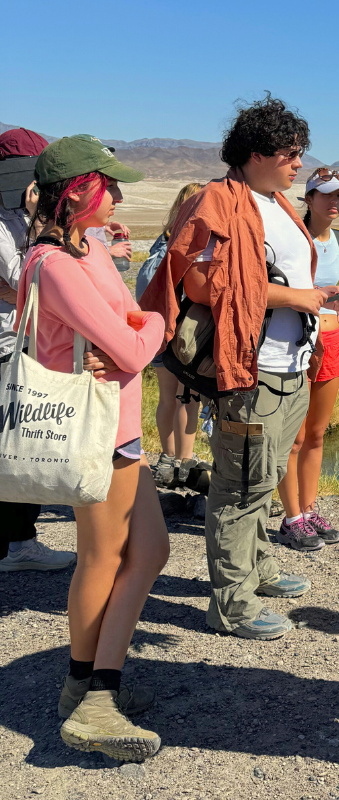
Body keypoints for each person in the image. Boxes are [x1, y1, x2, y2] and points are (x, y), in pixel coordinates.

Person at [141, 95, 339, 640]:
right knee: (238, 485)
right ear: (256, 153)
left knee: (267, 474)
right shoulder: (219, 201)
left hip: (290, 365)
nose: (299, 163)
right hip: (249, 369)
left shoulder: (273, 201)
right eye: (290, 152)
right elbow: (199, 282)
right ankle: (229, 604)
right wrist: (298, 298)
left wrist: (310, 300)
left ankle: (257, 569)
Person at [16, 135, 168, 761]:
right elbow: (135, 341)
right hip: (94, 434)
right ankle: (91, 694)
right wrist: (152, 325)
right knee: (101, 558)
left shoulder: (90, 249)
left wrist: (139, 325)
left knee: (151, 551)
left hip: (122, 429)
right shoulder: (52, 264)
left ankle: (91, 683)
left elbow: (130, 320)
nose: (120, 196)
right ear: (78, 190)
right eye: (110, 186)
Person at [0, 126, 76, 572]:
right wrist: (42, 223)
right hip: (6, 344)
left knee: (19, 443)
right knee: (13, 445)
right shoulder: (8, 221)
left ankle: (18, 540)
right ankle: (18, 545)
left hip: (21, 340)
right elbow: (30, 276)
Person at [276, 168, 339, 545]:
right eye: (328, 195)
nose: (335, 203)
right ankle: (290, 515)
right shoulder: (295, 238)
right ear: (308, 198)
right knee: (292, 438)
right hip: (299, 343)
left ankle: (309, 508)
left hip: (333, 340)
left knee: (316, 433)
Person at [133, 182, 205, 489]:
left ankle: (171, 459)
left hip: (164, 335)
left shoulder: (162, 245)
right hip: (178, 337)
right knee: (186, 398)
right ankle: (181, 462)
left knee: (175, 397)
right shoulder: (173, 250)